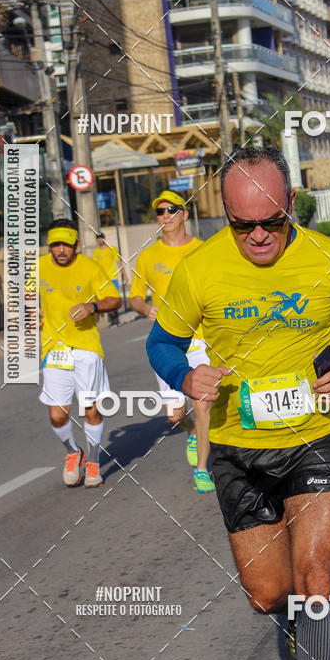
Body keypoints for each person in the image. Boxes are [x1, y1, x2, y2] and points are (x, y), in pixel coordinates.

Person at [146, 148, 330, 660]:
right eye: (241, 224)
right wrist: (185, 374)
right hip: (238, 446)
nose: (257, 235)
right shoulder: (199, 268)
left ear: (292, 205)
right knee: (268, 593)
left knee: (319, 576)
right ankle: (297, 620)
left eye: (271, 220)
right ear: (225, 215)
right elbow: (161, 342)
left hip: (317, 437)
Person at [129, 190, 215, 493]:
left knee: (202, 403)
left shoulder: (204, 250)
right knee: (175, 414)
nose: (165, 216)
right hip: (168, 343)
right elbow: (135, 296)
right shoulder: (149, 256)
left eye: (171, 210)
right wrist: (145, 307)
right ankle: (191, 431)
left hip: (202, 340)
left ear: (185, 214)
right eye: (160, 212)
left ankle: (203, 469)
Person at [38, 218, 122, 487]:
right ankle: (73, 452)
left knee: (91, 410)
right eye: (55, 244)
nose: (60, 250)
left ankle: (94, 460)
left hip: (86, 349)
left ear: (75, 243)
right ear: (48, 245)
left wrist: (92, 307)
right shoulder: (37, 268)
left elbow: (114, 298)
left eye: (65, 244)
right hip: (55, 350)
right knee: (57, 415)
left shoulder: (90, 267)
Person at [93, 232, 127, 326]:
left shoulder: (112, 249)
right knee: (106, 299)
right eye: (98, 238)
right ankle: (112, 319)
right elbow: (95, 267)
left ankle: (115, 317)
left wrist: (124, 274)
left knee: (114, 298)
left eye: (101, 238)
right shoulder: (96, 253)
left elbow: (118, 262)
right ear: (97, 240)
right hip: (102, 280)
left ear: (104, 238)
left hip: (112, 277)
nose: (100, 240)